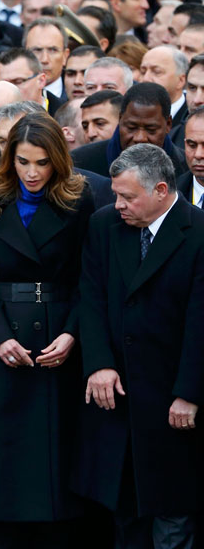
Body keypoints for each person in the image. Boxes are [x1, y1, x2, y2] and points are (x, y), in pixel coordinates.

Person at [0, 111, 95, 547]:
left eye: (41, 162)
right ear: (8, 158)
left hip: (55, 336)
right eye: (22, 161)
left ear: (57, 159)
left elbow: (87, 277)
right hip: (0, 336)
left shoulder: (78, 199)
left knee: (50, 457)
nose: (32, 173)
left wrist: (72, 333)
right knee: (1, 455)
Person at [75, 142, 204, 549]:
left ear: (161, 191)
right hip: (119, 398)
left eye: (128, 196)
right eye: (115, 194)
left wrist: (188, 393)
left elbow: (201, 322)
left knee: (173, 516)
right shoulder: (103, 225)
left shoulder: (198, 232)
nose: (118, 204)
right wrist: (98, 364)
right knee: (124, 514)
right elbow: (90, 297)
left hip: (171, 400)